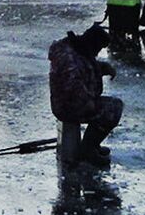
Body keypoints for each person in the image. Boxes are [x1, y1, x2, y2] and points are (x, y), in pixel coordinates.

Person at [48, 22, 121, 167]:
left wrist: (100, 68)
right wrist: (90, 103)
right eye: (98, 49)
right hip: (69, 106)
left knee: (108, 105)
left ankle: (90, 146)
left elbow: (84, 66)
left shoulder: (75, 50)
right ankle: (87, 150)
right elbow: (73, 87)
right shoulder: (70, 60)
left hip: (65, 103)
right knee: (113, 108)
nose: (97, 53)